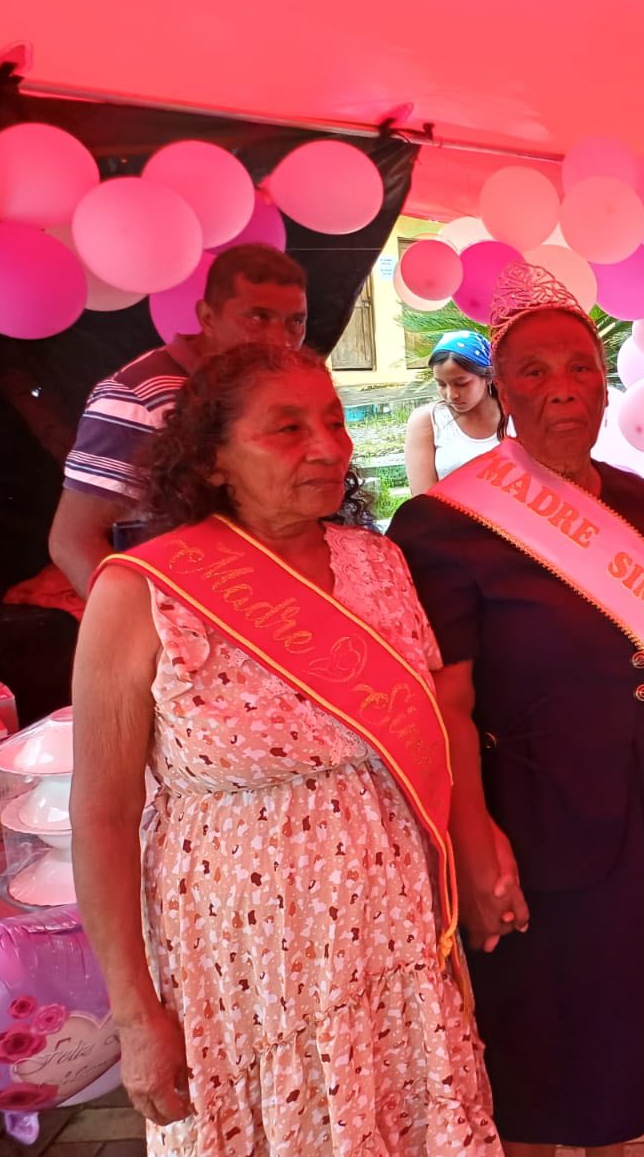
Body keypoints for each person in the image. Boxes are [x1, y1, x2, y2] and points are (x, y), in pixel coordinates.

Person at [70, 343, 500, 1155]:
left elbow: (435, 722)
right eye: (288, 428)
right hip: (242, 972)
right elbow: (101, 816)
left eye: (334, 422)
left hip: (391, 943)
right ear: (213, 459)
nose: (328, 446)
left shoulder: (379, 564)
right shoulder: (139, 593)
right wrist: (134, 1015)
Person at [387, 261, 644, 1157]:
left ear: (605, 384)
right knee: (534, 1057)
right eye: (534, 370)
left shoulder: (640, 501)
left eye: (580, 367)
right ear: (501, 389)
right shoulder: (445, 526)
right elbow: (445, 704)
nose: (563, 388)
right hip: (536, 829)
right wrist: (471, 841)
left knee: (627, 1041)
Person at [49, 243, 309, 596]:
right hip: (181, 609)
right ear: (207, 318)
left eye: (295, 322)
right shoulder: (136, 395)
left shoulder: (285, 387)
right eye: (258, 317)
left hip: (273, 602)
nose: (280, 339)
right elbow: (72, 540)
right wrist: (141, 623)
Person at [404, 330, 505, 494]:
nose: (451, 395)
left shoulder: (517, 416)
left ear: (488, 376)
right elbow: (422, 497)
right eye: (441, 384)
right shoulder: (428, 421)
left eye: (461, 383)